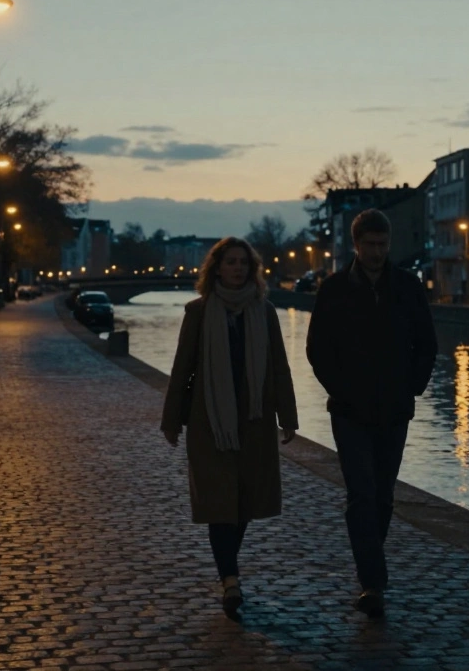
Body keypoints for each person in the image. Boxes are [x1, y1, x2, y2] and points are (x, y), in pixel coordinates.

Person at [306, 209, 438, 618]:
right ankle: (373, 582)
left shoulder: (408, 288)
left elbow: (427, 345)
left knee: (382, 495)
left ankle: (370, 567)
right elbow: (317, 349)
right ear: (356, 245)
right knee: (361, 493)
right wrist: (342, 390)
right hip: (349, 411)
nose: (378, 252)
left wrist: (410, 387)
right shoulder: (333, 289)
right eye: (371, 245)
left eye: (383, 245)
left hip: (395, 409)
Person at [159, 237, 299, 619]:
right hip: (211, 423)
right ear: (216, 268)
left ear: (251, 270)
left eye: (243, 263)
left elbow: (279, 368)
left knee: (244, 505)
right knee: (220, 504)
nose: (237, 268)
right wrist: (171, 420)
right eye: (230, 262)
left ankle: (228, 569)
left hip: (254, 423)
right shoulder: (199, 312)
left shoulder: (264, 312)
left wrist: (288, 417)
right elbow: (182, 369)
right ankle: (230, 579)